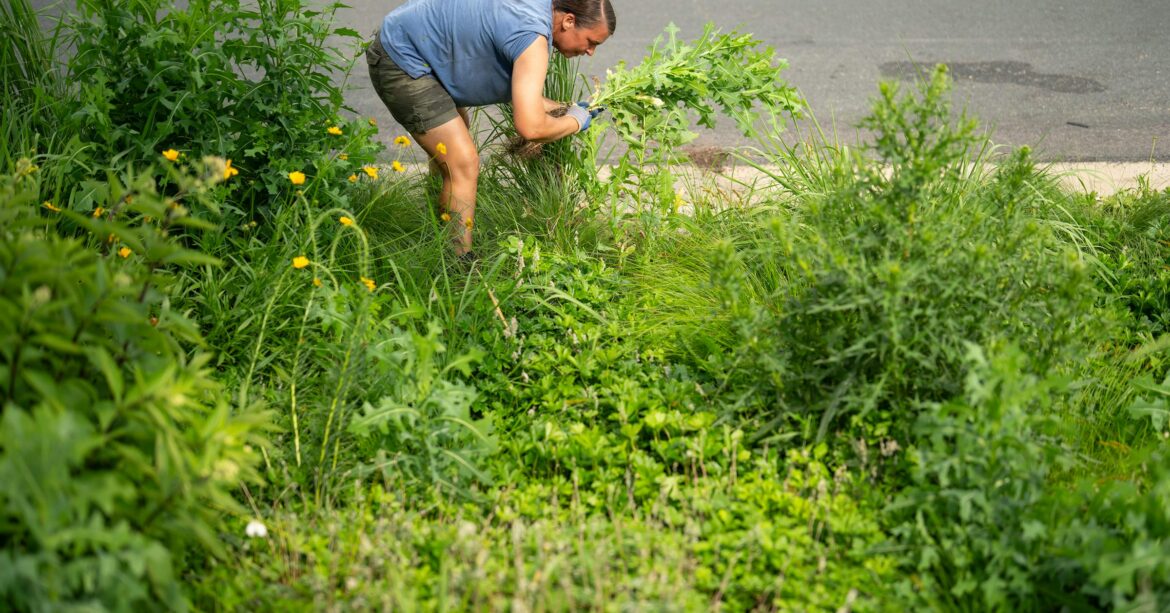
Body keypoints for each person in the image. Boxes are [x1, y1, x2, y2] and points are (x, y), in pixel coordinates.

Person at [367, 0, 616, 259]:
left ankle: (437, 219)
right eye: (591, 42)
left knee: (454, 145)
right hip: (402, 57)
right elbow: (530, 126)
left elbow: (526, 98)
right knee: (463, 163)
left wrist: (568, 109)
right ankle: (458, 263)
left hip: (419, 44)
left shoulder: (535, 11)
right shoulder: (532, 36)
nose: (590, 52)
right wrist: (575, 121)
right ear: (569, 21)